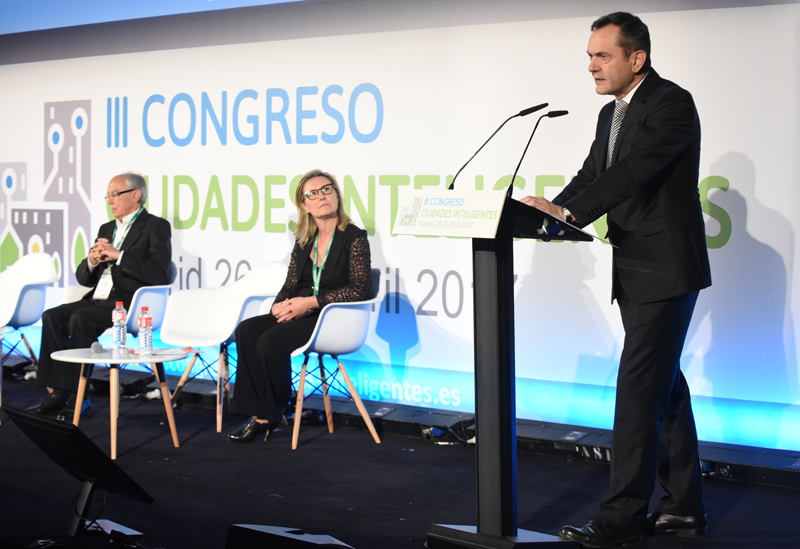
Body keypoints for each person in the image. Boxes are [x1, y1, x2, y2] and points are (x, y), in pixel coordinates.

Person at [520, 12, 712, 548]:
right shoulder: (612, 114)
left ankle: (620, 521)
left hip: (667, 267)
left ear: (636, 58)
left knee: (636, 394)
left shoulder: (672, 103)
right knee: (664, 390)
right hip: (635, 265)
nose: (591, 66)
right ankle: (684, 509)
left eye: (601, 55)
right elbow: (595, 174)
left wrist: (574, 217)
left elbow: (634, 173)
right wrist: (555, 207)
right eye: (589, 55)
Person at [228, 169, 371, 443]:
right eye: (313, 194)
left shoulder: (354, 238)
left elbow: (360, 288)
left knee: (270, 341)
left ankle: (272, 412)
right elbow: (291, 283)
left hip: (331, 317)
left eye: (327, 189)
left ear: (338, 195)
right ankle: (263, 409)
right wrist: (279, 306)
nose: (322, 196)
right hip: (302, 309)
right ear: (304, 205)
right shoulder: (305, 239)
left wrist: (311, 302)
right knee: (247, 330)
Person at [29, 173, 172, 421]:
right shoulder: (106, 228)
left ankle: (79, 397)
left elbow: (159, 273)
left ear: (135, 195)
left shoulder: (155, 226)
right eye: (108, 195)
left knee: (81, 319)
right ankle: (58, 392)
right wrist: (93, 261)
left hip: (130, 303)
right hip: (98, 297)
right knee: (52, 316)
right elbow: (85, 279)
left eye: (115, 194)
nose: (110, 201)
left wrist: (120, 256)